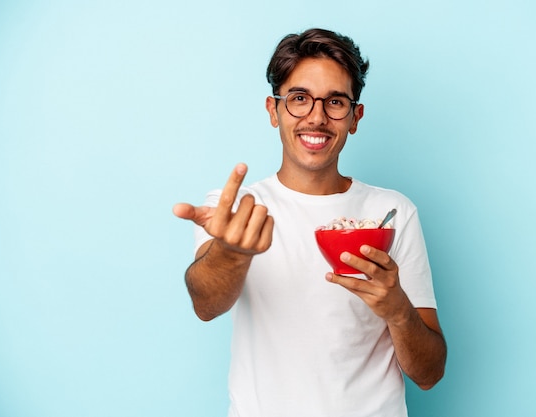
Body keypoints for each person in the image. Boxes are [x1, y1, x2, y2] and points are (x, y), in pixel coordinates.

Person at [173, 28, 446, 417]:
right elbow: (205, 304)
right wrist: (232, 253)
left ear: (355, 116)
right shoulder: (234, 210)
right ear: (274, 110)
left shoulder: (393, 212)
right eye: (299, 99)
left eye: (335, 102)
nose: (316, 118)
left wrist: (399, 310)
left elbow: (430, 374)